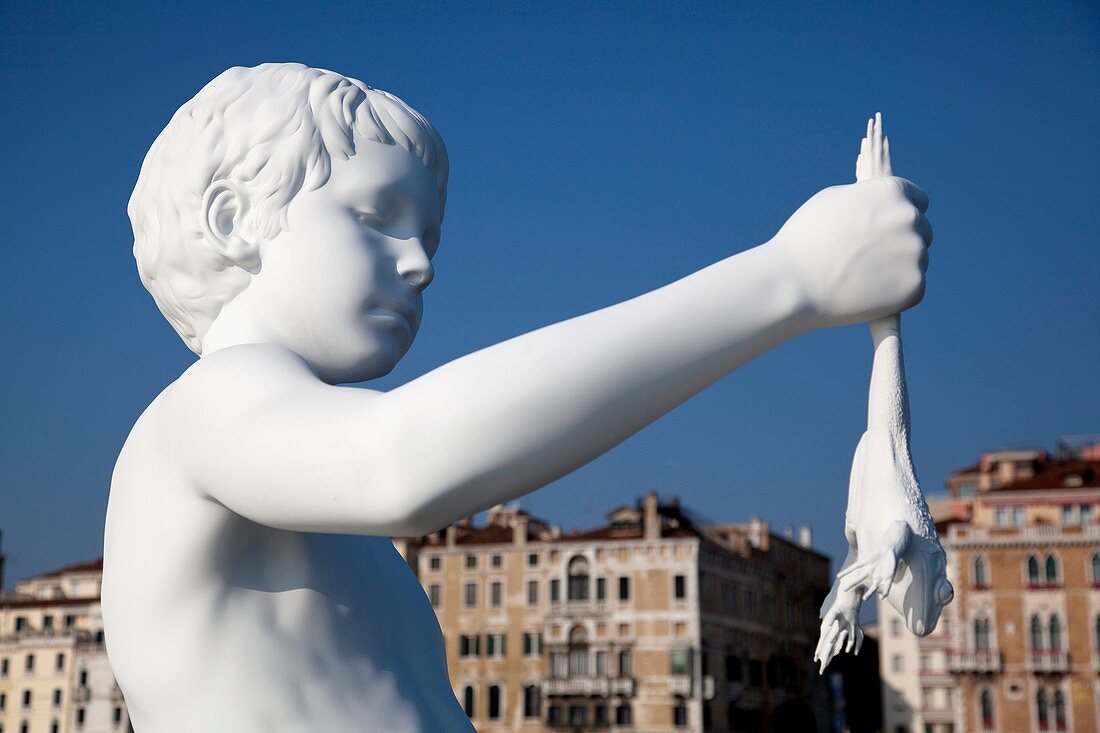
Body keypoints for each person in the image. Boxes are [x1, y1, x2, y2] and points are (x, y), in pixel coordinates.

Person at [103, 62, 932, 732]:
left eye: (426, 237)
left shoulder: (327, 532)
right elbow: (400, 462)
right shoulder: (198, 413)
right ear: (232, 219)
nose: (421, 263)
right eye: (377, 217)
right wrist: (788, 279)